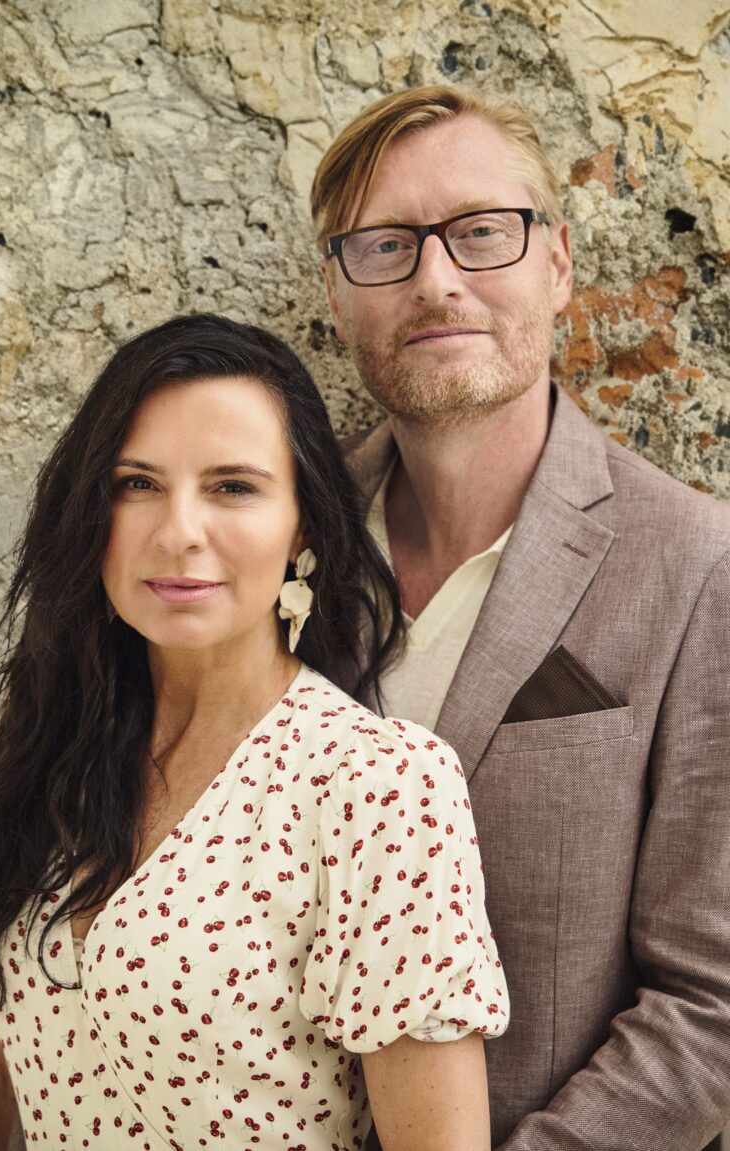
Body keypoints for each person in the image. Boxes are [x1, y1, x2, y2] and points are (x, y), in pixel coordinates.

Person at [0, 314, 508, 1151]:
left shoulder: (379, 788)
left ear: (305, 527)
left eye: (232, 486)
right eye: (137, 482)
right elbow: (1, 1057)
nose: (179, 530)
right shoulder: (52, 751)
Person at [310, 85, 730, 1151]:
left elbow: (711, 1007)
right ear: (336, 291)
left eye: (482, 231)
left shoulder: (697, 565)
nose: (436, 279)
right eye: (386, 245)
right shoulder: (275, 540)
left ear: (559, 262)